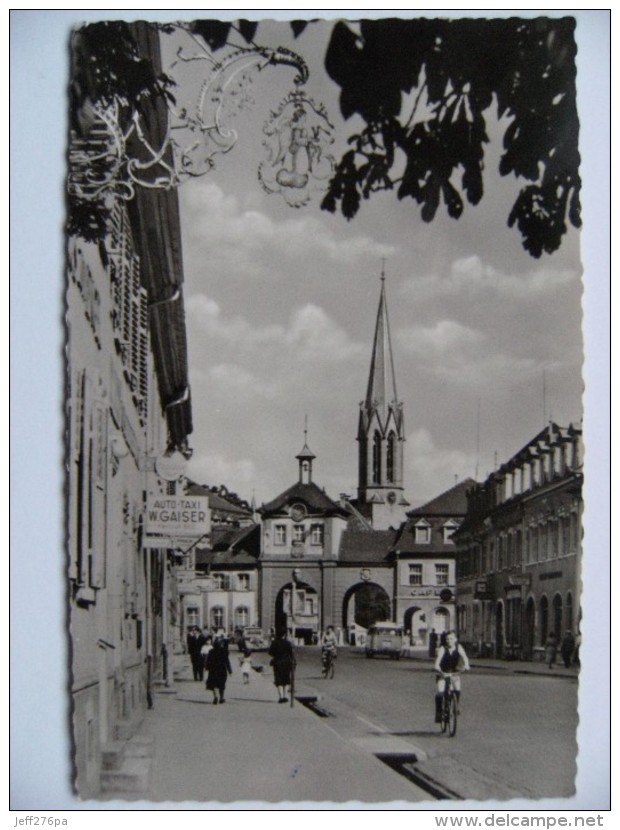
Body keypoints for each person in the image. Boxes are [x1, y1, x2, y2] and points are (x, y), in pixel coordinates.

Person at [434, 630, 470, 723]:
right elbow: (438, 660)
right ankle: (438, 713)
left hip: (454, 671)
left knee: (457, 688)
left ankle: (456, 706)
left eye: (451, 639)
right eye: (447, 639)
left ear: (455, 639)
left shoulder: (459, 647)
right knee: (440, 692)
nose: (449, 641)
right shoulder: (443, 648)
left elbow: (465, 657)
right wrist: (437, 667)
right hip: (442, 672)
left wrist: (466, 665)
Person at [267, 628, 295, 703]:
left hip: (277, 663)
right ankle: (285, 696)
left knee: (278, 680)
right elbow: (291, 654)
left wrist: (277, 654)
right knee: (286, 680)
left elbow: (270, 653)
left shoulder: (274, 643)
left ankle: (281, 697)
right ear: (284, 635)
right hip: (286, 663)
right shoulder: (288, 643)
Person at [205, 637, 232, 704]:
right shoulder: (224, 651)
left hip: (213, 670)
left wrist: (207, 668)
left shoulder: (211, 651)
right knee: (221, 684)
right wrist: (230, 670)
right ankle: (221, 698)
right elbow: (227, 661)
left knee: (214, 684)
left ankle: (215, 697)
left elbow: (208, 661)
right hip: (222, 670)